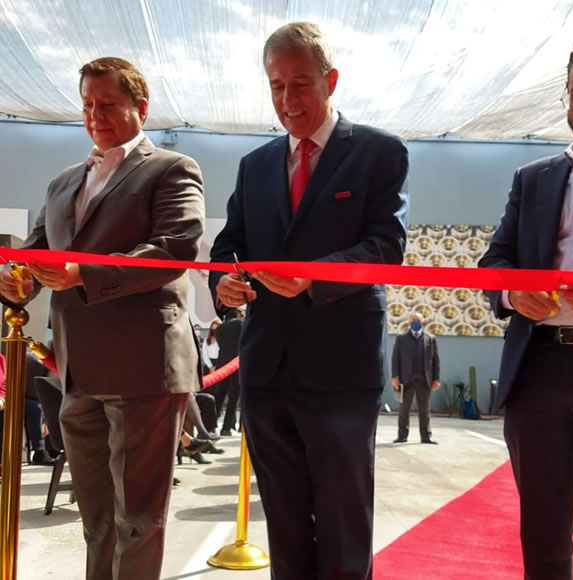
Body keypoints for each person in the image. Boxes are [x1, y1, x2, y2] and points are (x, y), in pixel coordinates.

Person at [209, 22, 408, 580]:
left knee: (344, 527)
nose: (287, 99)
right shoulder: (255, 165)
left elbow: (386, 246)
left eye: (300, 84)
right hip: (266, 369)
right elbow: (229, 246)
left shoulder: (379, 152)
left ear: (331, 80)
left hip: (341, 372)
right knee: (286, 526)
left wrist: (314, 278)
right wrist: (224, 283)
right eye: (276, 86)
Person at [0, 57, 204, 580]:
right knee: (96, 522)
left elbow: (174, 249)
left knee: (137, 521)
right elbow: (36, 252)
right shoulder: (63, 181)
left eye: (108, 104)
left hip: (144, 368)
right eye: (88, 105)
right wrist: (17, 282)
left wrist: (82, 274)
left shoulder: (171, 168)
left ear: (141, 107)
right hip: (76, 372)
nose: (95, 115)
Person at [478, 44, 573, 580]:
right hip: (539, 369)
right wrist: (515, 295)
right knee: (543, 533)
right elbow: (493, 264)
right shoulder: (533, 178)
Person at [391, 312, 440, 444]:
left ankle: (426, 436)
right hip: (406, 380)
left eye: (418, 319)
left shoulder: (430, 338)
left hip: (424, 380)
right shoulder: (401, 338)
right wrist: (395, 377)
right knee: (403, 410)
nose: (415, 321)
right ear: (409, 322)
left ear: (422, 321)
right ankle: (402, 436)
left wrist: (436, 379)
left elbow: (435, 360)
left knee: (424, 411)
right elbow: (395, 359)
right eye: (413, 319)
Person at [213, 307, 243, 435]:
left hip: (222, 363)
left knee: (219, 395)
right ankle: (226, 427)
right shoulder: (241, 325)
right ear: (237, 314)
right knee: (233, 396)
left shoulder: (219, 328)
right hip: (236, 363)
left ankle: (211, 426)